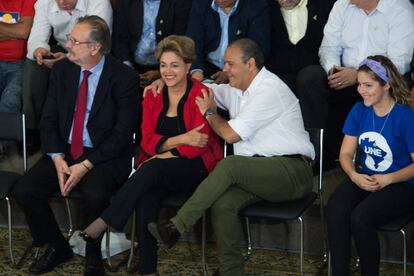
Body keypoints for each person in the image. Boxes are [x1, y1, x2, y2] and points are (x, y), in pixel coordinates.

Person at [147, 38, 315, 276]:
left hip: (292, 171)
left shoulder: (270, 89)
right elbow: (198, 89)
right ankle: (230, 271)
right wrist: (162, 81)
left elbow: (230, 134)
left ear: (251, 64)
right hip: (258, 173)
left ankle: (177, 226)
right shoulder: (236, 89)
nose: (224, 70)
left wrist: (209, 112)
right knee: (223, 203)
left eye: (230, 64)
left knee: (230, 165)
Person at [79, 35, 223, 275]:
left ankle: (104, 221)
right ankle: (148, 270)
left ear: (188, 66)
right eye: (163, 65)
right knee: (147, 195)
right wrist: (179, 139)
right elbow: (147, 140)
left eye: (175, 65)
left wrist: (162, 152)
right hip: (158, 169)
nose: (167, 72)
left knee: (151, 169)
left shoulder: (202, 93)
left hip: (196, 167)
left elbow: (198, 145)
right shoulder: (152, 94)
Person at [13, 16, 139, 276]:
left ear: (94, 48)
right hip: (65, 149)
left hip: (103, 156)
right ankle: (57, 246)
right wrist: (58, 158)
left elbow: (122, 134)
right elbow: (48, 120)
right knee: (25, 190)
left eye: (74, 41)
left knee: (96, 195)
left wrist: (85, 165)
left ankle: (93, 254)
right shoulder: (62, 70)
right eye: (69, 38)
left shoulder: (123, 77)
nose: (66, 45)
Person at [296, 0, 414, 167]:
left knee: (382, 84)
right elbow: (329, 47)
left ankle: (374, 157)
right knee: (309, 78)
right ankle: (317, 156)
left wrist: (359, 75)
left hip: (381, 78)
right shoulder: (341, 5)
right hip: (344, 75)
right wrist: (334, 71)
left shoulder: (400, 8)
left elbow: (399, 63)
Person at [326, 55, 414, 276]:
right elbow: (345, 154)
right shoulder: (359, 110)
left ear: (386, 85)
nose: (361, 90)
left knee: (361, 217)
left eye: (368, 85)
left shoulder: (405, 116)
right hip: (366, 177)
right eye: (359, 85)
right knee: (336, 207)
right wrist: (354, 176)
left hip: (401, 184)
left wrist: (388, 179)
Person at [22, 0, 113, 153]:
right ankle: (31, 128)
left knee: (74, 66)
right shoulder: (44, 3)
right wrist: (40, 51)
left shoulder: (99, 3)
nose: (62, 2)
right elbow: (37, 37)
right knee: (33, 65)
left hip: (91, 51)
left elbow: (98, 44)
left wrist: (68, 57)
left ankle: (76, 128)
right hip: (62, 48)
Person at [112, 0, 192, 88]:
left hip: (167, 68)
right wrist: (128, 70)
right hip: (131, 66)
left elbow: (179, 41)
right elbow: (119, 39)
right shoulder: (125, 2)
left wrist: (160, 72)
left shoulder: (180, 3)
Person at [187, 0, 270, 84]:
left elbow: (257, 50)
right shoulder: (200, 3)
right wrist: (196, 71)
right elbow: (193, 42)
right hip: (206, 67)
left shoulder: (256, 6)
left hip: (240, 71)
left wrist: (230, 72)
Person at [265, 0, 333, 92]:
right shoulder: (266, 9)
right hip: (278, 75)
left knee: (309, 77)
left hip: (314, 76)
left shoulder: (324, 6)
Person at [0, 0, 35, 156]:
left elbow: (23, 31)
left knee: (10, 98)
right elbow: (18, 30)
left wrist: (16, 31)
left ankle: (2, 145)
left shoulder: (27, 1)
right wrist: (12, 31)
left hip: (19, 63)